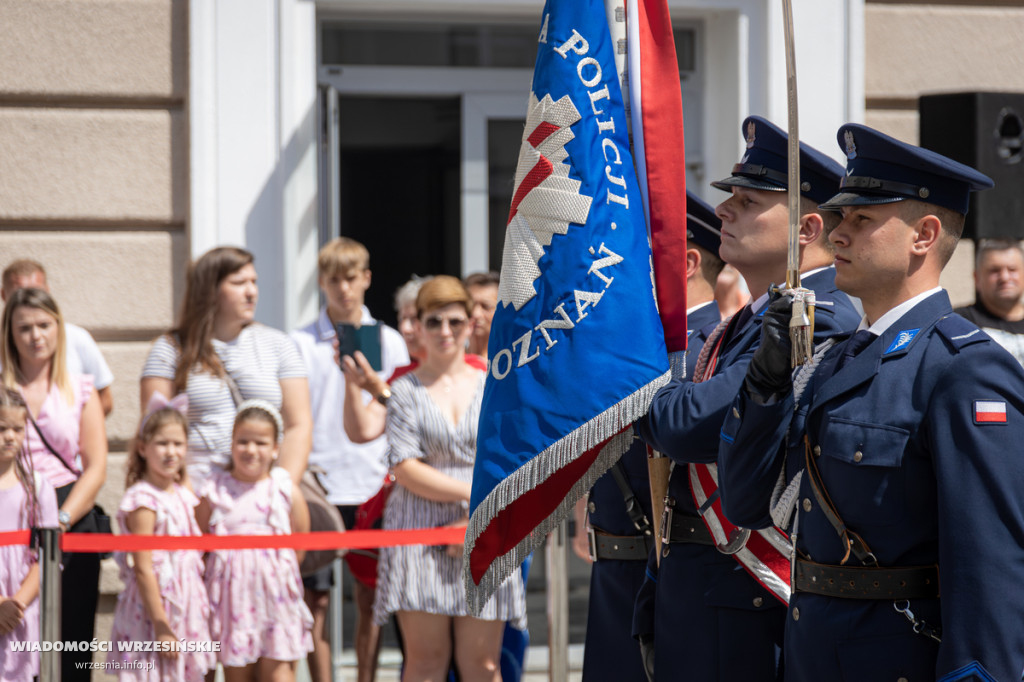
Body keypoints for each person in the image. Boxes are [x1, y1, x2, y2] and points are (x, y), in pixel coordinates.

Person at [719, 123, 1024, 681]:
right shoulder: (833, 360)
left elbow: (991, 562)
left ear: (924, 236)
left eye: (861, 220)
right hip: (814, 652)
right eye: (837, 218)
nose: (836, 235)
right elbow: (747, 502)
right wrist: (764, 384)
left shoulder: (964, 369)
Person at [635, 116, 861, 681]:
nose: (723, 212)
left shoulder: (817, 322)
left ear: (806, 228)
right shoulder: (754, 320)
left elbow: (687, 424)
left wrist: (623, 378)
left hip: (745, 596)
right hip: (704, 585)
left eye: (748, 199)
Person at [572, 191, 724, 682]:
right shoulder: (646, 345)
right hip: (616, 567)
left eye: (641, 254)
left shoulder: (706, 350)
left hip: (667, 573)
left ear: (688, 261)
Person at [372, 276, 526, 682]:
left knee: (483, 665)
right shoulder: (403, 389)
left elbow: (512, 458)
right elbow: (404, 466)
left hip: (487, 524)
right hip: (419, 529)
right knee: (425, 663)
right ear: (418, 325)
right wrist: (472, 496)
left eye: (455, 322)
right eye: (435, 321)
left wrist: (477, 515)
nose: (445, 332)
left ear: (470, 323)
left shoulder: (495, 382)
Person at [290, 237, 408, 682]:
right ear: (322, 282)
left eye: (352, 278)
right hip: (316, 481)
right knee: (314, 600)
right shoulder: (298, 343)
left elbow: (400, 410)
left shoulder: (389, 341)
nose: (344, 289)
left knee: (372, 598)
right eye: (335, 279)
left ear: (367, 279)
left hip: (372, 482)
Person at [0, 287, 108, 681]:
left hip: (69, 509)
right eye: (24, 327)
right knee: (16, 631)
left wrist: (60, 518)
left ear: (59, 328)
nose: (35, 336)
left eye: (44, 325)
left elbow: (96, 467)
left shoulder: (79, 386)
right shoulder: (2, 388)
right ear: (9, 332)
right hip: (12, 508)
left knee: (72, 638)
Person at [140, 246, 312, 486]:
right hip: (195, 490)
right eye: (239, 282)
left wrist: (281, 488)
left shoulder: (279, 344)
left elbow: (298, 425)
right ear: (210, 290)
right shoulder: (170, 348)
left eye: (254, 282)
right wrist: (184, 497)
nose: (251, 292)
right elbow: (156, 431)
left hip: (262, 491)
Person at [197, 401, 313, 681]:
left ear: (275, 448)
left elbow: (300, 545)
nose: (251, 450)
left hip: (277, 602)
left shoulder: (284, 489)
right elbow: (199, 545)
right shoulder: (214, 489)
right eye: (243, 442)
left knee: (280, 675)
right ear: (232, 443)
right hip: (233, 606)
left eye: (260, 443)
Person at [107, 394, 215, 681]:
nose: (171, 452)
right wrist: (161, 625)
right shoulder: (144, 500)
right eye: (162, 443)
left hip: (185, 604)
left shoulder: (182, 494)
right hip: (153, 613)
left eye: (178, 444)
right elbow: (143, 567)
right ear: (143, 448)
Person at [2, 259, 115, 416]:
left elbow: (105, 398)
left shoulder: (77, 338)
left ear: (47, 291)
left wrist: (70, 427)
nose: (36, 336)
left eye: (37, 293)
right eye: (24, 329)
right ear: (3, 295)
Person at [0, 388, 58, 682]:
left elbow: (48, 556)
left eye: (17, 428)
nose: (10, 436)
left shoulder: (38, 487)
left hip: (22, 612)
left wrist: (16, 604)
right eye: (1, 428)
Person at [954, 238, 1024, 364]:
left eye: (1012, 269)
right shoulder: (959, 323)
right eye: (995, 271)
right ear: (977, 279)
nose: (1004, 277)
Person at [463, 272, 499, 357]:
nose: (476, 314)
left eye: (486, 306)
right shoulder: (450, 362)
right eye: (471, 305)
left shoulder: (509, 364)